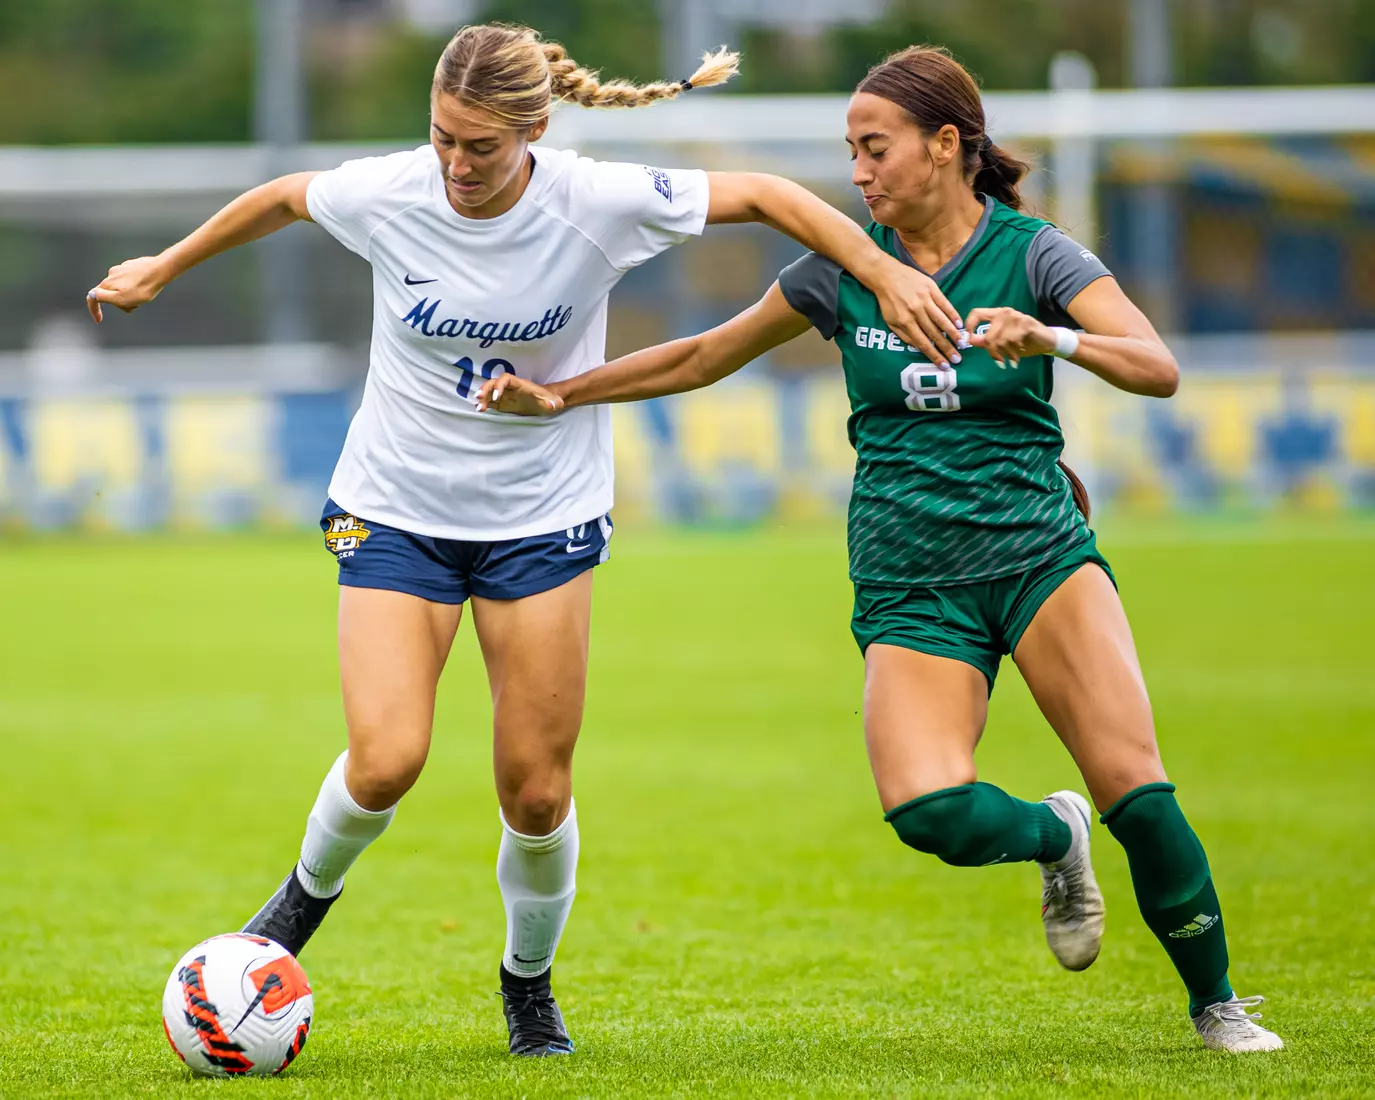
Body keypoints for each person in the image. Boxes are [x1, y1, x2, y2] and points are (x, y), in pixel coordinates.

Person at [84, 24, 968, 1058]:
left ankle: (526, 981)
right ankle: (294, 909)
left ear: (535, 131)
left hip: (540, 517)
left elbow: (772, 196)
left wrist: (881, 270)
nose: (456, 166)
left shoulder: (593, 200)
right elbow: (283, 195)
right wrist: (166, 264)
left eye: (481, 148)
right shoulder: (393, 192)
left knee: (535, 788)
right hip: (396, 504)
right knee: (387, 756)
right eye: (443, 139)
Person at [476, 45, 1284, 1054]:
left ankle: (1217, 1005)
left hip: (1036, 552)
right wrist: (561, 392)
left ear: (945, 147)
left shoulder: (1036, 256)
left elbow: (1155, 366)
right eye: (850, 153)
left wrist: (1052, 340)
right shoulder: (839, 270)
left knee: (1137, 785)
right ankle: (1054, 835)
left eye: (873, 149)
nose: (857, 173)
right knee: (926, 808)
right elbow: (696, 354)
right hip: (907, 578)